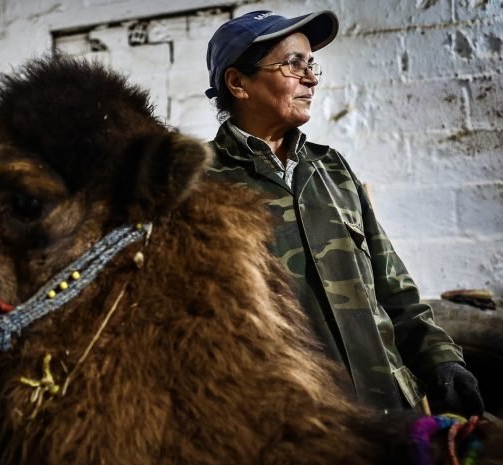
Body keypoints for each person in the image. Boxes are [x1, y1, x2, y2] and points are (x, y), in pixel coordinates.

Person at [204, 9, 484, 415]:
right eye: (293, 64)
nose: (311, 78)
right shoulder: (202, 183)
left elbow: (394, 289)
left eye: (310, 63)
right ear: (238, 82)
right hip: (296, 426)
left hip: (389, 408)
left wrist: (441, 359)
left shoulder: (331, 168)